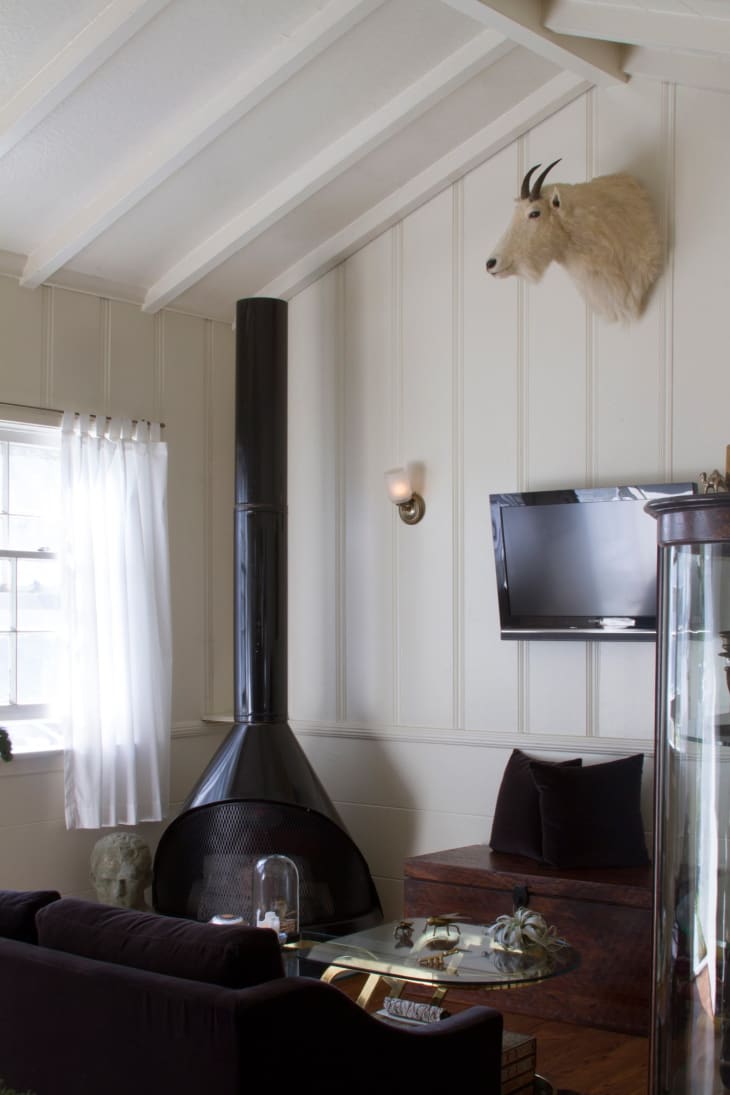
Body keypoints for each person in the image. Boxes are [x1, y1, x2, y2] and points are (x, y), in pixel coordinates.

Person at [90, 831, 153, 910]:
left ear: (148, 878)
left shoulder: (160, 922)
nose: (117, 893)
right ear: (93, 880)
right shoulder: (82, 920)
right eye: (107, 881)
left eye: (129, 881)